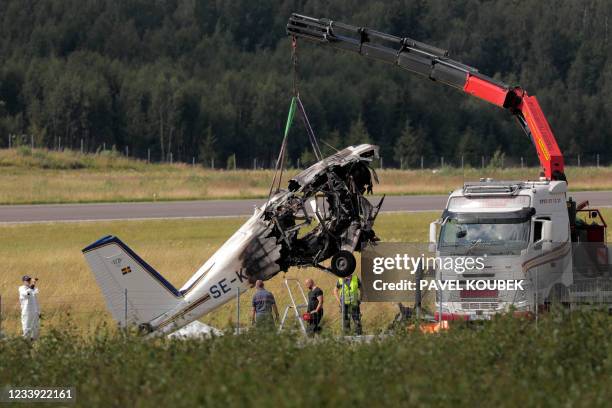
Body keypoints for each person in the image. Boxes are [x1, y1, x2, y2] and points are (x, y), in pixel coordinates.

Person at [19, 275, 40, 340]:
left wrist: (38, 311)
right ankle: (26, 344)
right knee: (26, 328)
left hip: (34, 312)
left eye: (29, 280)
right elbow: (27, 294)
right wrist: (33, 285)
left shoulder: (34, 289)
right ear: (23, 281)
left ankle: (34, 343)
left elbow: (36, 301)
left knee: (35, 328)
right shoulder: (21, 288)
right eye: (26, 280)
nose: (28, 281)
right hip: (26, 312)